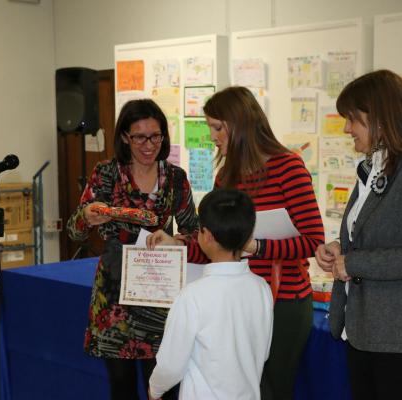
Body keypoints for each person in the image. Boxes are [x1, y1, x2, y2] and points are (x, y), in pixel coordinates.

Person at [148, 86, 325, 400]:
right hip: (235, 300)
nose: (213, 137)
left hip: (282, 300)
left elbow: (312, 241)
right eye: (209, 128)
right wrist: (177, 245)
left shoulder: (289, 168)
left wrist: (256, 248)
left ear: (240, 124)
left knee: (272, 389)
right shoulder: (226, 175)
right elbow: (214, 240)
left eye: (217, 128)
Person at [314, 69, 402, 400]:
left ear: (379, 116)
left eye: (353, 118)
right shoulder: (373, 167)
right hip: (364, 332)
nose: (347, 128)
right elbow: (376, 235)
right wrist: (340, 248)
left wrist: (355, 263)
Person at [66, 99, 199, 400]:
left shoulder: (176, 178)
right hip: (114, 299)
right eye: (140, 137)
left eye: (156, 136)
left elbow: (195, 232)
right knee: (121, 389)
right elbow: (74, 232)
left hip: (160, 294)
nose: (149, 144)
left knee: (162, 388)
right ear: (125, 136)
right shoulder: (105, 174)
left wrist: (175, 240)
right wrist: (87, 217)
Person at [147, 188, 274, 400]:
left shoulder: (192, 296)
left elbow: (171, 364)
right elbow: (263, 352)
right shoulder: (262, 288)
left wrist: (155, 389)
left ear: (207, 237)